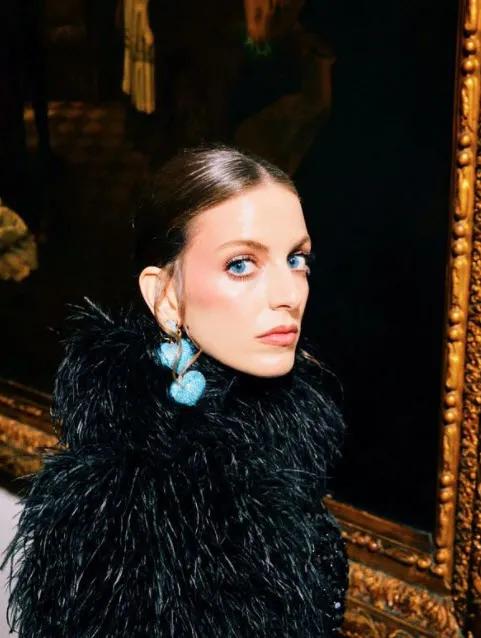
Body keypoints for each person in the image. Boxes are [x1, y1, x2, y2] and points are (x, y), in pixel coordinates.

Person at [3, 146, 348, 636]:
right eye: (241, 265)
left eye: (296, 259)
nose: (289, 294)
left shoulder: (281, 435)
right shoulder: (129, 509)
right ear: (165, 296)